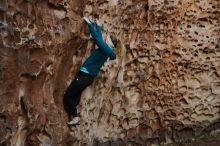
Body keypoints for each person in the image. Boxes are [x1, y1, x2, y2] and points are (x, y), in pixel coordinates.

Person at [63, 16, 117, 125]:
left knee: (68, 96)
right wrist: (98, 26)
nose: (106, 37)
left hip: (84, 76)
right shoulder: (106, 49)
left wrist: (89, 24)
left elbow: (97, 39)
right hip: (88, 77)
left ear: (110, 41)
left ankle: (75, 117)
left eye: (108, 37)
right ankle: (72, 113)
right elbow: (99, 38)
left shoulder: (106, 48)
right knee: (75, 96)